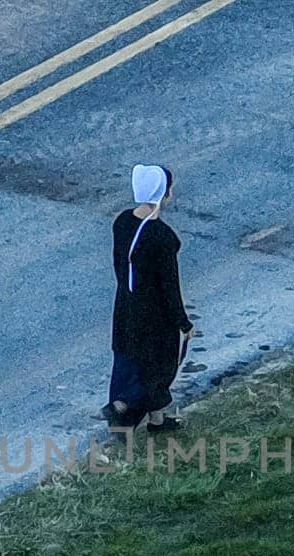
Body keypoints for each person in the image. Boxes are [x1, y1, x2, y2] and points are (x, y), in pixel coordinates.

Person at [102, 164, 194, 432]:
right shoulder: (163, 238)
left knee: (127, 359)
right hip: (154, 315)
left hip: (126, 305)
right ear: (163, 194)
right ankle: (123, 410)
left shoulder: (122, 222)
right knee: (158, 367)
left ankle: (154, 419)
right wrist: (183, 323)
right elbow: (169, 287)